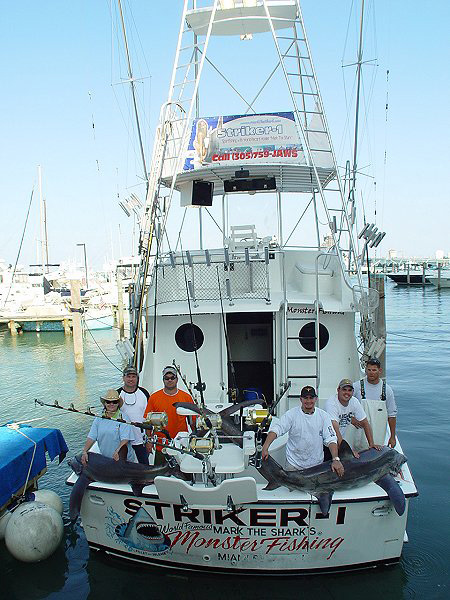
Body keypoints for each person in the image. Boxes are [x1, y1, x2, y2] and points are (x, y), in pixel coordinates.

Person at [261, 385, 344, 477]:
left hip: (316, 467)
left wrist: (336, 459)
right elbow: (276, 430)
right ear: (301, 399)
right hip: (293, 466)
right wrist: (265, 447)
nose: (308, 401)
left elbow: (331, 439)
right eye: (305, 398)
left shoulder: (324, 416)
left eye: (311, 398)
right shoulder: (291, 414)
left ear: (316, 399)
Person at [144, 366, 195, 461]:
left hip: (181, 444)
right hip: (161, 444)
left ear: (177, 379)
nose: (170, 380)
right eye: (167, 378)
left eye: (172, 377)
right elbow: (148, 422)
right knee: (160, 473)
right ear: (163, 380)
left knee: (185, 472)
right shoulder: (154, 397)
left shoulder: (186, 397)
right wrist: (149, 441)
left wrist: (195, 440)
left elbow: (193, 422)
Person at [325, 379, 381, 455]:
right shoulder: (332, 403)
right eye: (344, 390)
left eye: (349, 390)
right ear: (338, 390)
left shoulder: (354, 401)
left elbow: (365, 422)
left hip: (339, 442)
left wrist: (371, 444)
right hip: (327, 442)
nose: (347, 393)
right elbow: (335, 429)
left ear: (352, 392)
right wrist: (347, 451)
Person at [353, 358, 397, 448]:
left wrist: (392, 437)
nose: (371, 372)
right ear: (365, 370)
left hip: (378, 436)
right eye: (369, 370)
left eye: (374, 370)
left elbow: (392, 415)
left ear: (380, 371)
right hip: (358, 433)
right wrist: (351, 419)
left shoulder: (387, 390)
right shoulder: (356, 386)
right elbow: (345, 407)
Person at [81, 389, 134, 465]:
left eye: (114, 402)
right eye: (108, 402)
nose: (111, 404)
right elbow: (91, 436)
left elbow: (125, 439)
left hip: (123, 460)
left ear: (118, 403)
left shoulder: (124, 418)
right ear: (105, 403)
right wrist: (84, 451)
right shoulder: (98, 418)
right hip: (106, 459)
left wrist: (118, 451)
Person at [117, 366, 150, 464]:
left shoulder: (144, 393)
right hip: (122, 438)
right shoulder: (117, 394)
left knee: (144, 463)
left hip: (140, 437)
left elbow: (149, 417)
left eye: (133, 376)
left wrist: (149, 440)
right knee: (122, 463)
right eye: (128, 376)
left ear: (137, 378)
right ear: (123, 378)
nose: (131, 379)